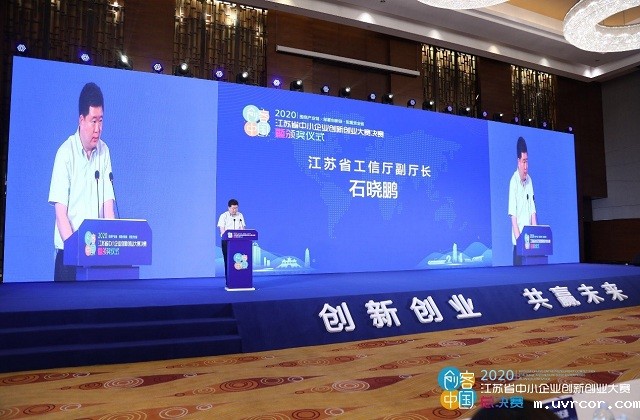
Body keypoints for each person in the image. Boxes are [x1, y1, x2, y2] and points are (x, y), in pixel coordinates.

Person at [49, 82, 116, 281]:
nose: (98, 128)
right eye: (93, 121)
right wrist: (76, 252)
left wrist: (111, 247)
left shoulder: (104, 151)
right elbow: (61, 214)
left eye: (101, 120)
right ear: (81, 120)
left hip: (96, 257)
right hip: (68, 256)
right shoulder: (65, 153)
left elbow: (108, 208)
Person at [508, 136, 537, 266]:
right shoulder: (513, 182)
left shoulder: (529, 180)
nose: (526, 166)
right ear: (518, 161)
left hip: (530, 243)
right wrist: (520, 242)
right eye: (524, 162)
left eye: (527, 162)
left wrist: (536, 237)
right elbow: (513, 217)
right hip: (519, 244)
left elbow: (533, 212)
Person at [217, 199, 246, 277]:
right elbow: (222, 230)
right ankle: (229, 279)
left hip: (238, 242)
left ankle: (239, 278)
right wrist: (228, 236)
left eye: (236, 208)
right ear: (229, 208)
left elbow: (242, 229)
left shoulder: (240, 215)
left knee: (239, 260)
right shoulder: (223, 216)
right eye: (233, 208)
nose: (235, 210)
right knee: (228, 260)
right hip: (227, 242)